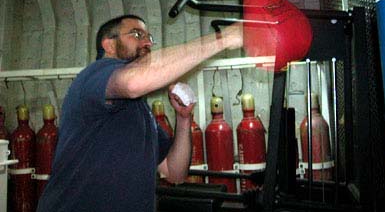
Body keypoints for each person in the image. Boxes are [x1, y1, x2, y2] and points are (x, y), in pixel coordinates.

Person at [36, 14, 243, 212]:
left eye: (149, 37)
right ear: (108, 44)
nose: (147, 43)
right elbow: (134, 82)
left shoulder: (140, 109)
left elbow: (174, 172)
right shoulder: (93, 75)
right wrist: (223, 39)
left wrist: (183, 118)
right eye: (136, 34)